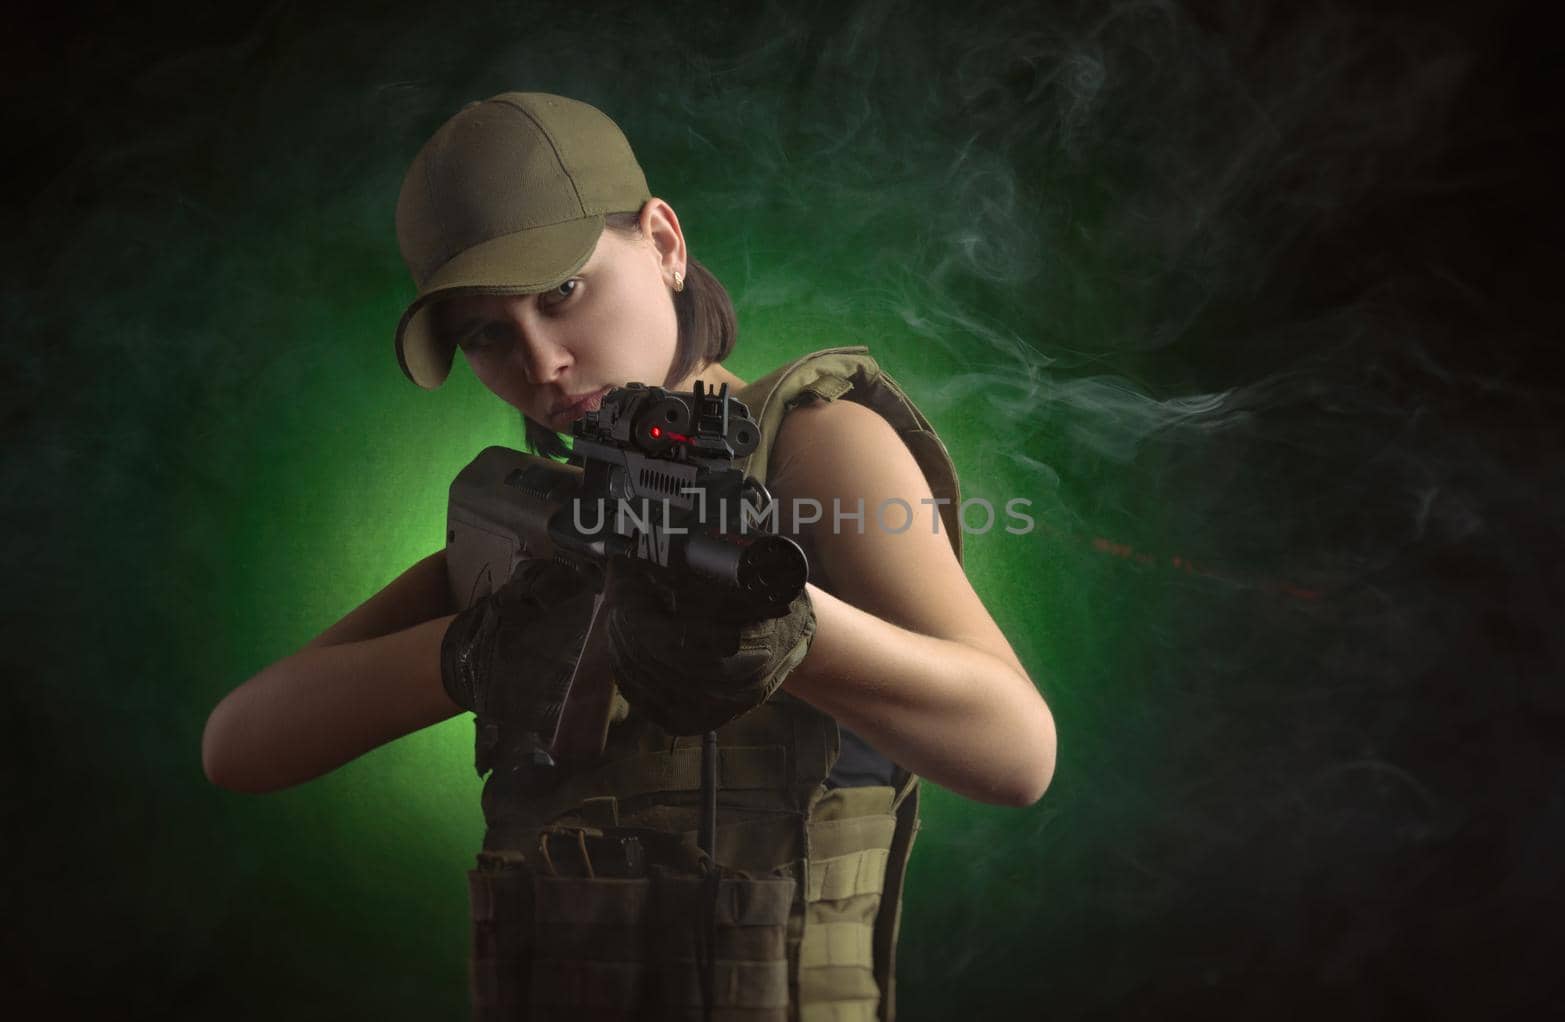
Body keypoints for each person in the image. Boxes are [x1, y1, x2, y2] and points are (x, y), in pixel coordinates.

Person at [202, 92, 1055, 1021]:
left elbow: (1018, 751)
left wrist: (797, 635)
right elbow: (240, 745)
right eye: (485, 333)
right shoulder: (537, 517)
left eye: (561, 291)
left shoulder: (815, 446)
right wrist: (471, 655)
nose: (541, 363)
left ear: (663, 242)